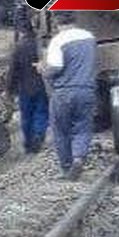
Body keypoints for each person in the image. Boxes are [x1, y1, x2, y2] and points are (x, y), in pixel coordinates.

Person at [43, 11, 97, 180]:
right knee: (83, 127)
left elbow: (56, 68)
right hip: (86, 90)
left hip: (64, 92)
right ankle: (79, 158)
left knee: (61, 131)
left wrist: (43, 69)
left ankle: (67, 168)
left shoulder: (58, 41)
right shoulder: (89, 37)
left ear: (57, 22)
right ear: (74, 19)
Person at [7, 5, 48, 154]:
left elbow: (13, 71)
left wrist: (9, 90)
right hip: (42, 86)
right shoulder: (40, 44)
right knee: (41, 112)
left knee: (26, 116)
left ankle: (28, 143)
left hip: (24, 88)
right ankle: (39, 134)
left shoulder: (18, 47)